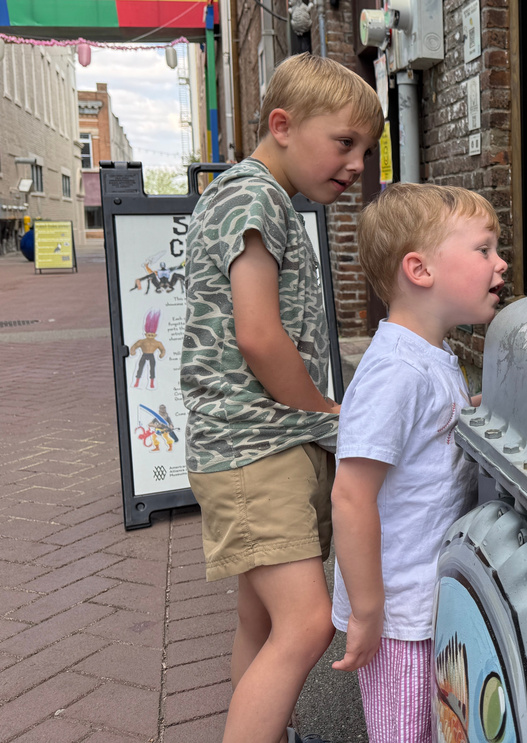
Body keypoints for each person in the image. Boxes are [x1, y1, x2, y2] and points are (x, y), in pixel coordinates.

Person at [179, 53, 383, 743]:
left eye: (367, 149)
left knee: (260, 621)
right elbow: (260, 336)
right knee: (304, 623)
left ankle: (270, 726)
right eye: (345, 142)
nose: (356, 164)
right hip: (254, 447)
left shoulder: (255, 196)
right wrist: (326, 411)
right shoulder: (255, 197)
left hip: (252, 445)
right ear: (283, 125)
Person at [330, 183, 508, 741]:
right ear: (420, 270)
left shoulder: (432, 356)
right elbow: (351, 494)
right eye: (484, 249)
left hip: (427, 600)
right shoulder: (396, 371)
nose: (501, 263)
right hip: (399, 615)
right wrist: (366, 610)